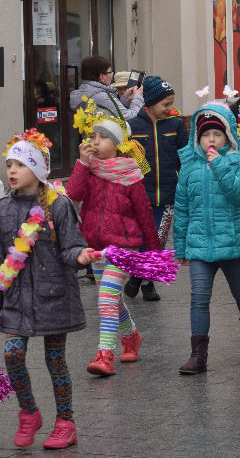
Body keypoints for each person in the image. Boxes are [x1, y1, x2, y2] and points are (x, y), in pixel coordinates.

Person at [0, 129, 95, 449]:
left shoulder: (57, 206)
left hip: (54, 295)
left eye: (20, 164)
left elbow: (71, 247)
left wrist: (81, 255)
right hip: (17, 297)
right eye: (9, 165)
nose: (12, 171)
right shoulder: (3, 209)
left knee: (55, 360)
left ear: (38, 168)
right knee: (12, 354)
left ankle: (65, 421)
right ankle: (28, 411)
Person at [66, 105, 158, 376]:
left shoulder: (131, 175)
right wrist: (82, 164)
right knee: (112, 298)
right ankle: (131, 336)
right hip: (95, 248)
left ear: (117, 145)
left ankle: (105, 355)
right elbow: (73, 193)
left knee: (106, 299)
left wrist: (153, 253)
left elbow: (144, 214)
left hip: (123, 247)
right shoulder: (89, 170)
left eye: (102, 137)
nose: (95, 142)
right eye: (93, 136)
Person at [174, 102, 240, 375]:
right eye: (205, 135)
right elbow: (182, 208)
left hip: (233, 244)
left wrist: (220, 165)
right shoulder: (188, 168)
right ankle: (198, 355)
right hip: (199, 245)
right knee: (198, 297)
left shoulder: (237, 163)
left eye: (217, 135)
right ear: (197, 139)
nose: (210, 140)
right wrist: (181, 248)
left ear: (228, 137)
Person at [126, 75, 188, 301]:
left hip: (169, 193)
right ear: (149, 104)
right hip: (142, 194)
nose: (169, 108)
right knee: (144, 238)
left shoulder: (176, 124)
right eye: (165, 104)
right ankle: (145, 279)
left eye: (171, 103)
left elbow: (185, 157)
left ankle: (140, 278)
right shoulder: (133, 127)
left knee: (159, 240)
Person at [68, 56, 144, 121]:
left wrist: (124, 100)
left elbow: (111, 112)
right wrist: (137, 98)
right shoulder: (102, 97)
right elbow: (130, 119)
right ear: (102, 77)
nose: (111, 75)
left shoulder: (87, 93)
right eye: (110, 72)